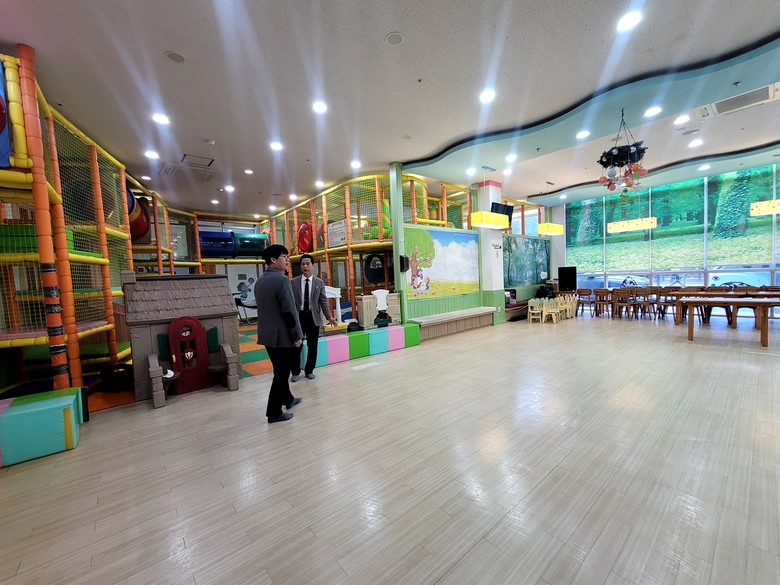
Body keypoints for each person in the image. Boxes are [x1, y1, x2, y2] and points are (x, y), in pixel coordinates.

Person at [254, 244, 303, 423]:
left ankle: (288, 399)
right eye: (284, 256)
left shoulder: (260, 281)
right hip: (282, 336)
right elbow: (289, 312)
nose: (287, 260)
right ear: (273, 260)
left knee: (279, 369)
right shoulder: (281, 280)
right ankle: (273, 412)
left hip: (267, 335)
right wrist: (297, 335)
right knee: (281, 374)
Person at [290, 253, 338, 381]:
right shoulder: (293, 282)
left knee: (313, 346)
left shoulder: (319, 282)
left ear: (313, 266)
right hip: (298, 317)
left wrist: (329, 317)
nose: (305, 266)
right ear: (300, 266)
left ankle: (309, 370)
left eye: (307, 264)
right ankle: (295, 372)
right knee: (296, 345)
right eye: (303, 264)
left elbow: (323, 301)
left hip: (313, 317)